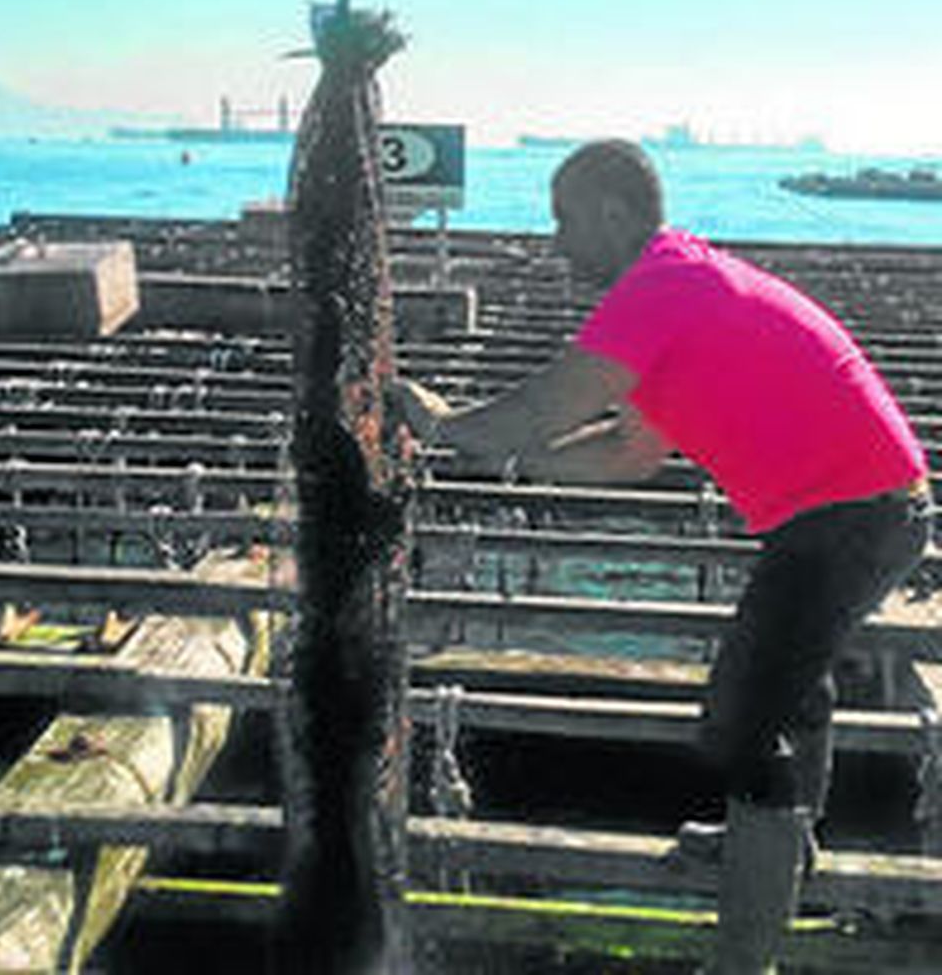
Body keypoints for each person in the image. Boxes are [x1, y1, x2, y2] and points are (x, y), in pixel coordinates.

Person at [394, 138, 932, 973]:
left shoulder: (662, 286)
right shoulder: (683, 284)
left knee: (744, 718)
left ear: (615, 213)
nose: (556, 240)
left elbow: (543, 406)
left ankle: (746, 954)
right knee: (791, 686)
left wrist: (444, 423)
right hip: (858, 507)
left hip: (852, 512)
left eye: (565, 219)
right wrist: (508, 454)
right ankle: (783, 850)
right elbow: (626, 453)